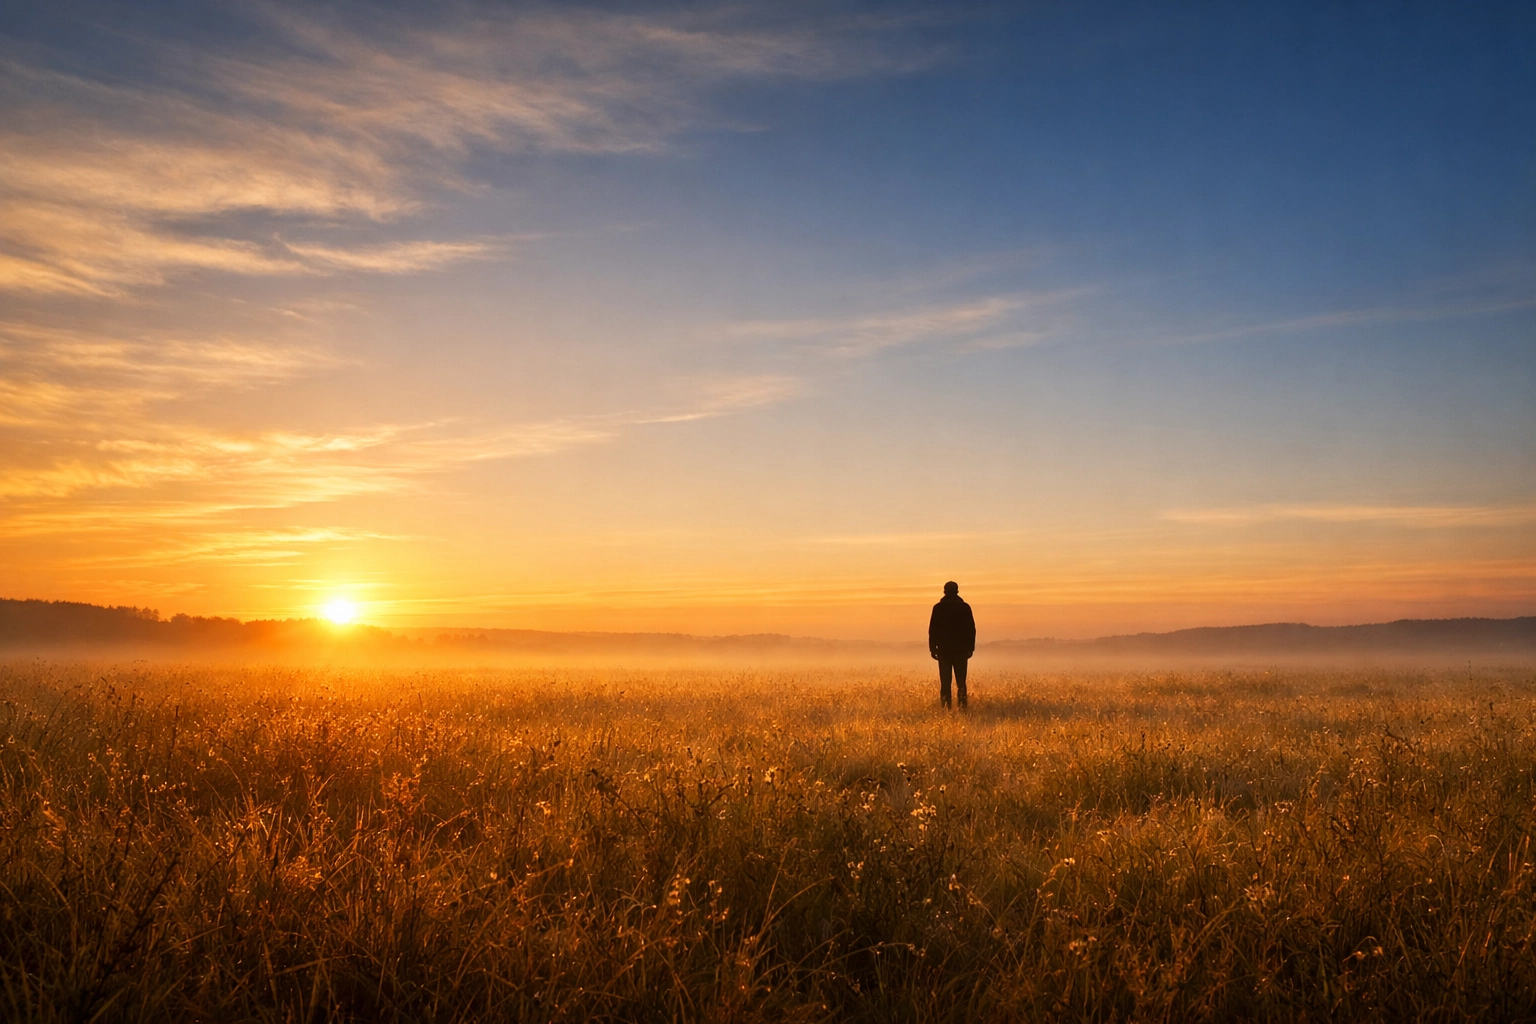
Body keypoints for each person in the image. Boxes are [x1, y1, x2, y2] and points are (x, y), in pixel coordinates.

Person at [928, 581, 975, 709]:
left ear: (944, 591)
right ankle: (962, 708)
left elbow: (933, 630)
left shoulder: (938, 608)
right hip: (961, 651)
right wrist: (971, 648)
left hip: (944, 650)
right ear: (957, 591)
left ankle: (945, 709)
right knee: (961, 682)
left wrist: (933, 648)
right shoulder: (965, 607)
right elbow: (971, 629)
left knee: (945, 683)